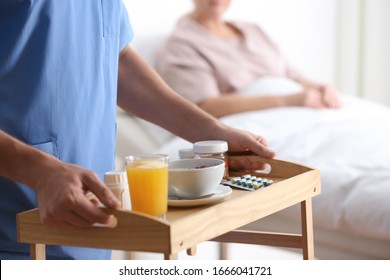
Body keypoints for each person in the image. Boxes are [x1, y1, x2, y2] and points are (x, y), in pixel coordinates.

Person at [0, 1, 275, 260]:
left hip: (86, 223)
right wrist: (38, 170)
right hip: (13, 223)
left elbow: (114, 58)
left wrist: (212, 131)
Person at [157, 0, 340, 118]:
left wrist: (321, 88)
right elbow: (206, 106)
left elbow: (294, 76)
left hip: (304, 111)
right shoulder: (183, 42)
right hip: (261, 119)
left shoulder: (253, 29)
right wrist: (290, 101)